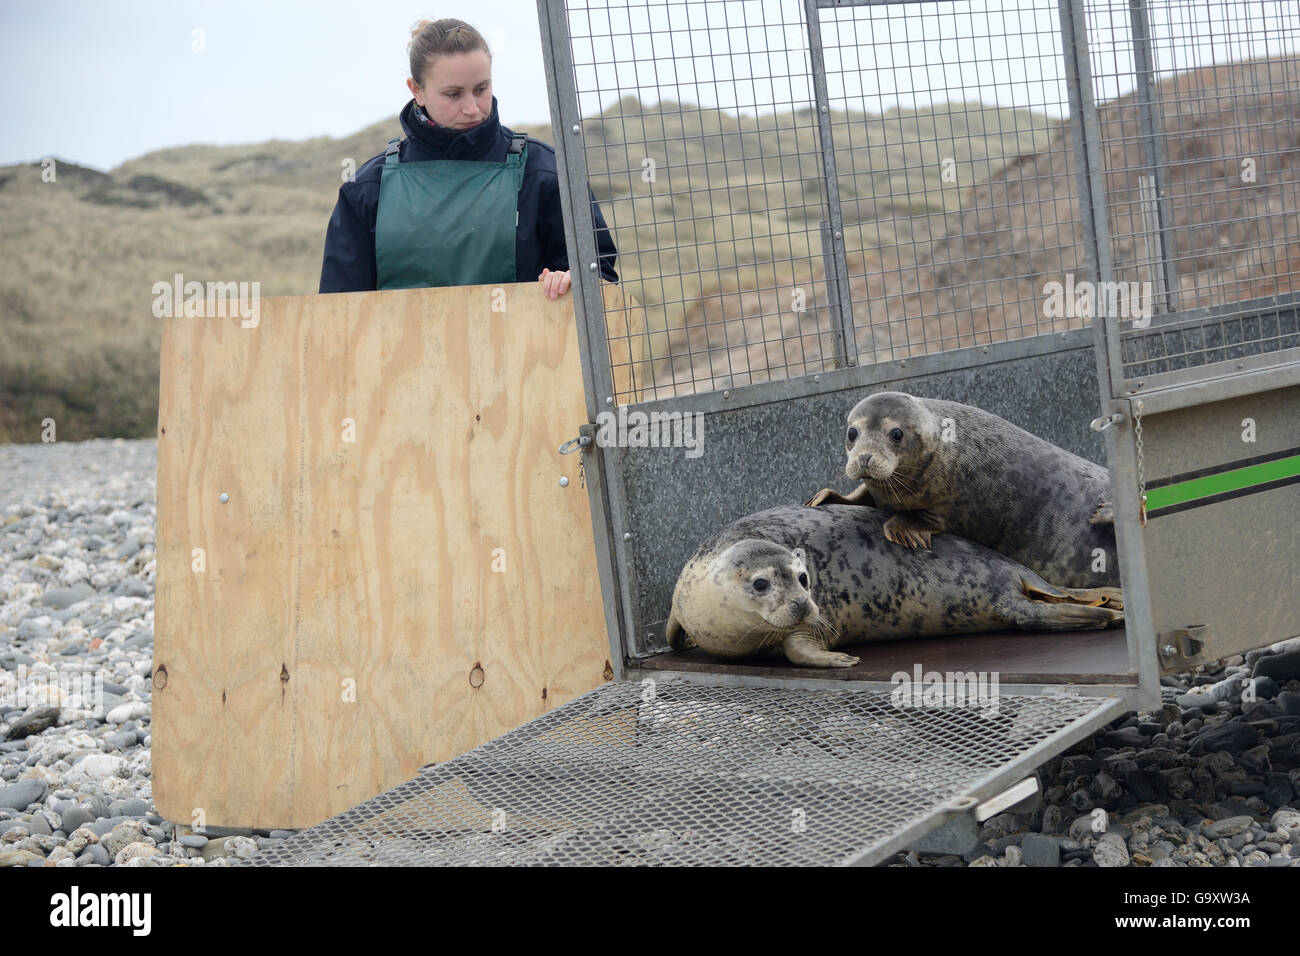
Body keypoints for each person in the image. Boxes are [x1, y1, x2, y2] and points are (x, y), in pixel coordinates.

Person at [318, 18, 618, 297]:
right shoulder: (367, 190)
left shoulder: (543, 173)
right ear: (417, 91)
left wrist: (569, 281)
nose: (472, 107)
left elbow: (600, 277)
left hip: (522, 354)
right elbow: (337, 314)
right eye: (453, 94)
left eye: (481, 89)